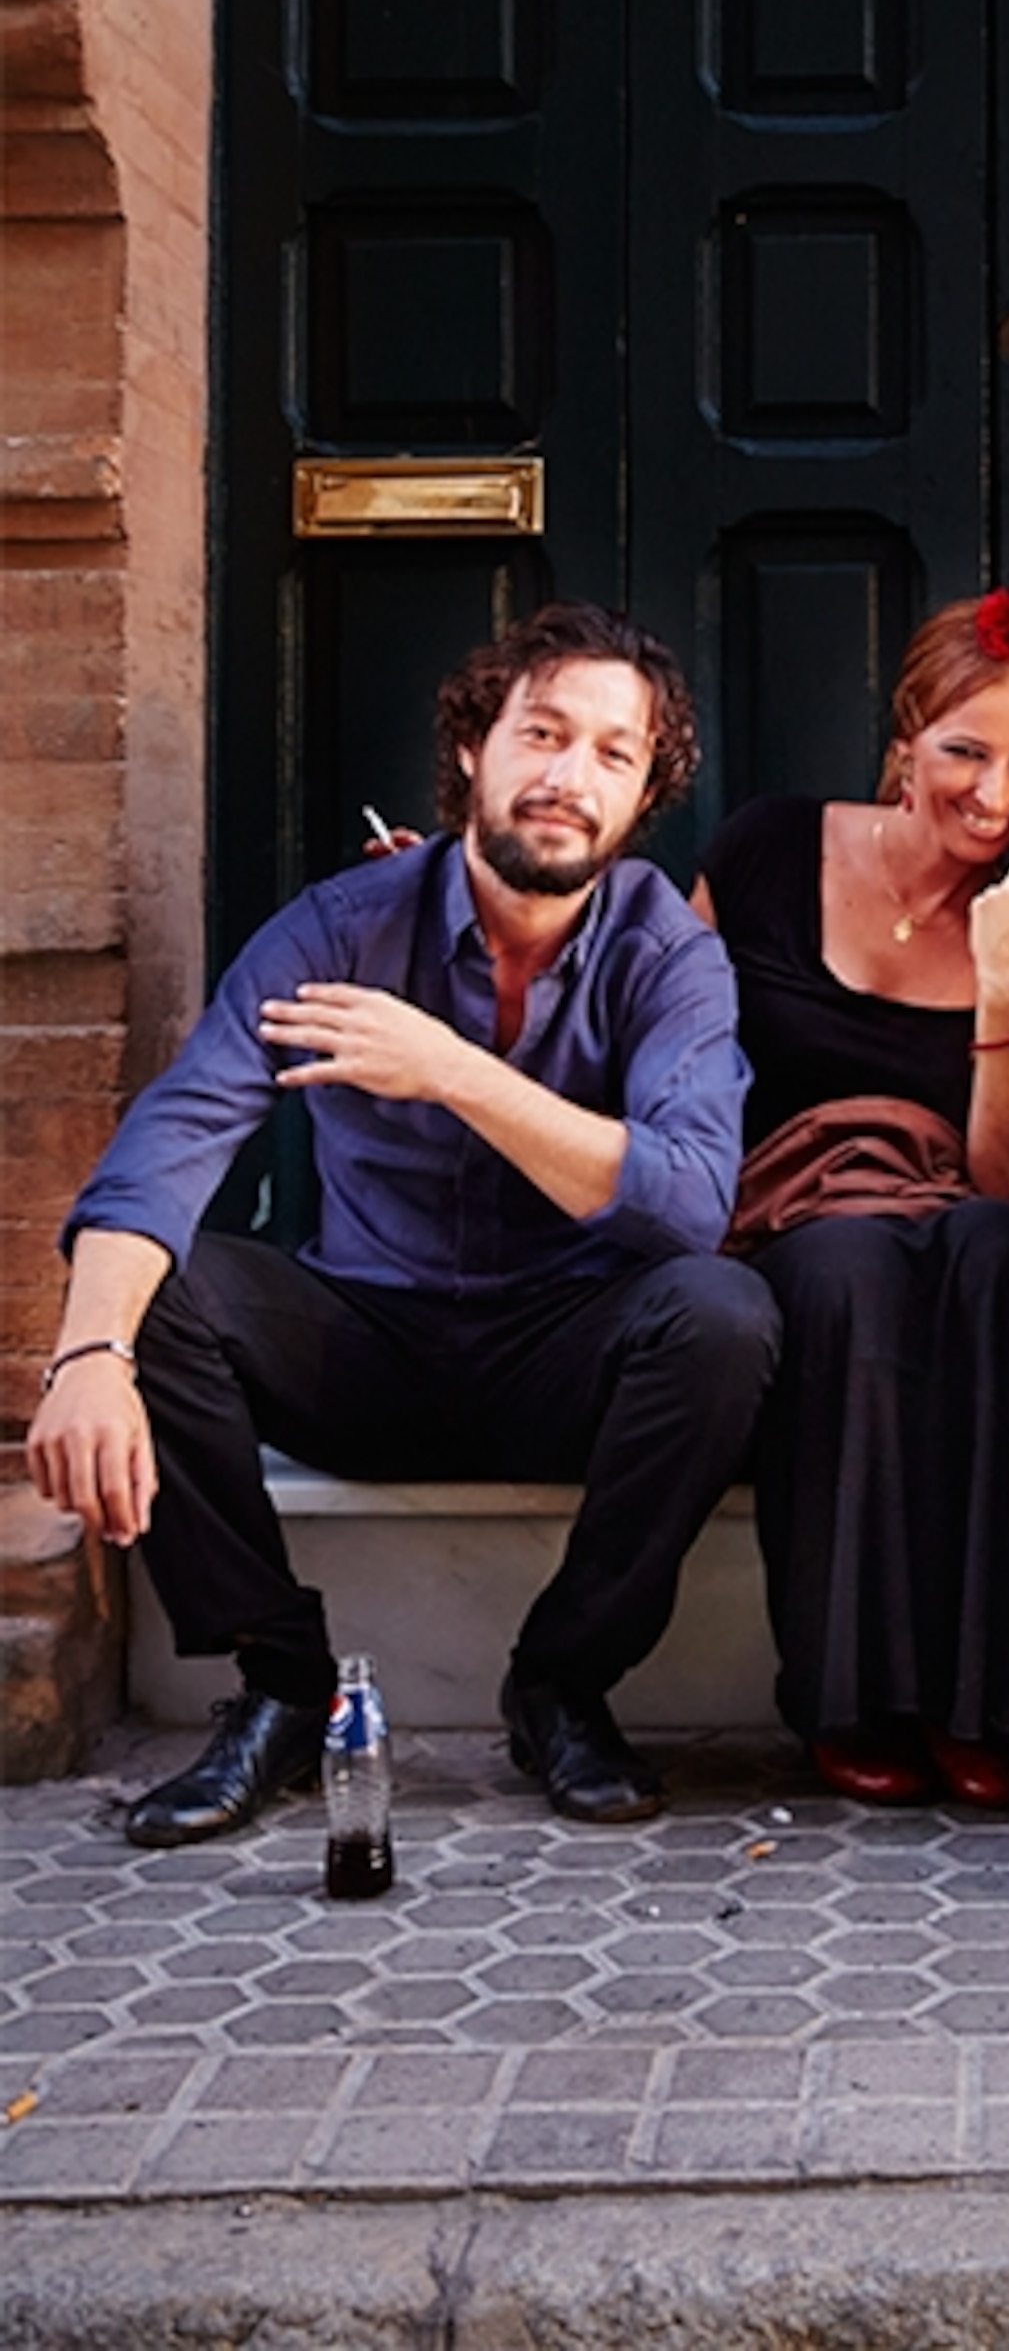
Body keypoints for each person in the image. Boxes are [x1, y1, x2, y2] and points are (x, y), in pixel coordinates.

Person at [28, 602, 779, 1844]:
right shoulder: (340, 929)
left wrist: (450, 1068)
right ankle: (279, 1687)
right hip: (363, 1342)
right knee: (148, 1293)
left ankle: (560, 1683)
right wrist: (87, 1354)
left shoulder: (665, 951)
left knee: (722, 1315)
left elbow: (690, 1204)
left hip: (564, 1353)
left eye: (612, 753)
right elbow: (172, 1142)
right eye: (542, 732)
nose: (568, 777)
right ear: (475, 748)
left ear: (647, 793)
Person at [691, 594, 1009, 1808]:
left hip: (957, 1200)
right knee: (851, 1273)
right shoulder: (767, 850)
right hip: (798, 1213)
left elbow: (1007, 1175)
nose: (999, 793)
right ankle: (853, 1695)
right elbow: (668, 1044)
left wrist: (1004, 987)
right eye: (966, 752)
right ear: (905, 739)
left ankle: (995, 1703)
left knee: (988, 1251)